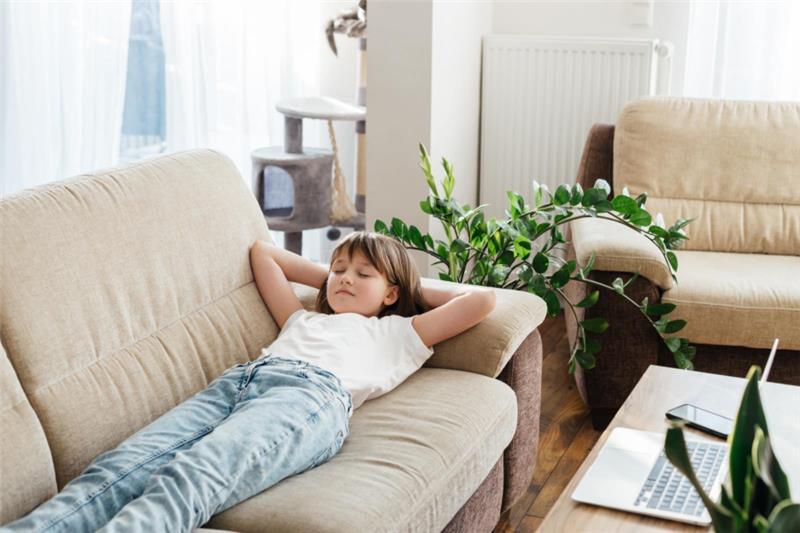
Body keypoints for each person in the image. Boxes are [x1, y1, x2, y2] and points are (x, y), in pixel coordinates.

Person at [2, 231, 496, 533]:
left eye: (361, 274)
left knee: (192, 476)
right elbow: (264, 253)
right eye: (338, 269)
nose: (344, 278)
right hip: (237, 384)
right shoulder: (301, 321)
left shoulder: (397, 332)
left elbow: (481, 303)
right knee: (119, 469)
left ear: (390, 293)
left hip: (309, 398)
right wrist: (336, 277)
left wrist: (401, 287)